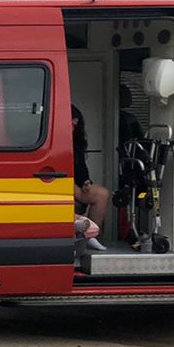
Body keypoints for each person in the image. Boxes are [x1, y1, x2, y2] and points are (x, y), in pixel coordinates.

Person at [72, 105, 109, 251]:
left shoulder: (76, 141)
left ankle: (91, 236)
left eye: (76, 125)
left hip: (75, 185)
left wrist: (86, 181)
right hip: (58, 184)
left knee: (102, 194)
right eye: (70, 124)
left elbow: (81, 166)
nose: (73, 128)